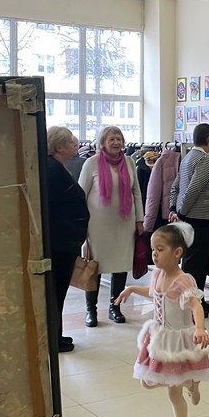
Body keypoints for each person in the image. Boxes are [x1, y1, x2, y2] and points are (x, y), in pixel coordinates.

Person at [114, 223, 209, 417]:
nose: (154, 254)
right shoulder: (157, 274)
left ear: (177, 252)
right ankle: (190, 382)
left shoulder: (183, 281)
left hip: (177, 342)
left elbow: (195, 306)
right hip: (159, 337)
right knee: (146, 382)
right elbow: (153, 293)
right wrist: (131, 288)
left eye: (160, 249)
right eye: (153, 249)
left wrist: (200, 328)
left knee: (173, 393)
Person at [78, 125, 144, 327]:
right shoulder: (91, 163)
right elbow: (81, 195)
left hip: (124, 224)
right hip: (97, 226)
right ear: (102, 143)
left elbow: (136, 192)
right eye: (111, 139)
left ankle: (115, 308)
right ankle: (91, 310)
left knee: (121, 266)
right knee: (95, 267)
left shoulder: (130, 162)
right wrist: (81, 225)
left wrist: (140, 219)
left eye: (119, 138)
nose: (116, 142)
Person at [170, 123, 209, 317]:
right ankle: (191, 304)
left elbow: (175, 186)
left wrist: (174, 208)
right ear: (208, 138)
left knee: (197, 262)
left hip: (195, 218)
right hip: (198, 219)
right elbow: (193, 189)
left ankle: (198, 301)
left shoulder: (188, 157)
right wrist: (182, 212)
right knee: (195, 264)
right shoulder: (203, 160)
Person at [45, 126, 88, 353]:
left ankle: (57, 335)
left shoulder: (56, 167)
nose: (75, 144)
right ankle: (54, 338)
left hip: (64, 241)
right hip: (59, 242)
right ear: (59, 146)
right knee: (56, 291)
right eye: (70, 141)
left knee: (58, 291)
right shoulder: (52, 170)